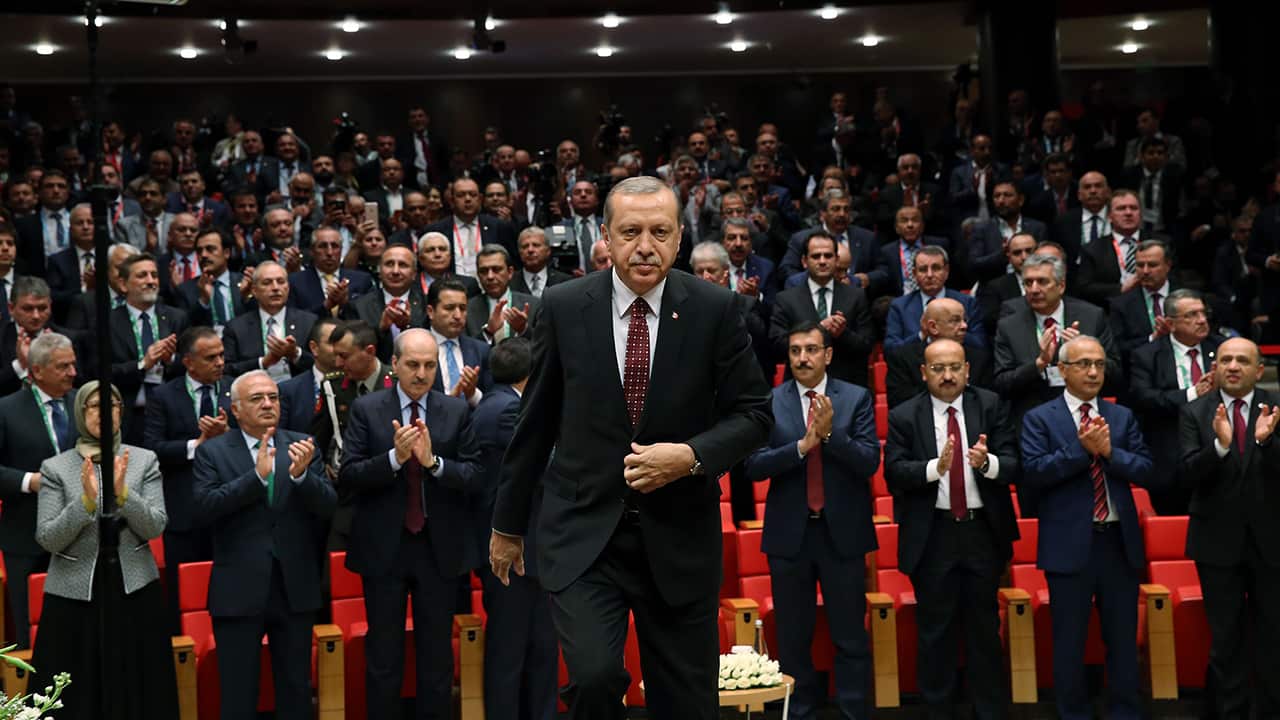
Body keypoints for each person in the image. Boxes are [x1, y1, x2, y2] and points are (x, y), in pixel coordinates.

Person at [489, 176, 773, 719]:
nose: (646, 245)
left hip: (680, 537)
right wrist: (508, 526)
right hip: (584, 533)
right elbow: (536, 422)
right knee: (595, 678)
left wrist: (688, 457)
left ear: (680, 238)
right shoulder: (564, 306)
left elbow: (755, 414)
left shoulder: (715, 309)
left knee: (687, 704)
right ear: (607, 236)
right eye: (631, 232)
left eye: (660, 232)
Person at [339, 328, 483, 720]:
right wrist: (393, 459)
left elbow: (474, 476)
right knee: (383, 656)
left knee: (436, 657)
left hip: (438, 549)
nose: (421, 374)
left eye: (429, 365)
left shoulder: (455, 410)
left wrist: (434, 464)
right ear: (395, 365)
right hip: (384, 547)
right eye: (413, 364)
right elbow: (348, 475)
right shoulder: (368, 409)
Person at [744, 321, 879, 719]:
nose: (803, 358)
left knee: (851, 636)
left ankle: (855, 711)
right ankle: (798, 711)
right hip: (791, 536)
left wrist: (831, 437)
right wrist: (802, 447)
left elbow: (869, 461)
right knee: (793, 637)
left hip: (843, 535)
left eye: (811, 350)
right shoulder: (770, 401)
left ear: (828, 354)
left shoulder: (855, 399)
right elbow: (752, 465)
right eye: (796, 351)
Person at [1019, 335, 1155, 720]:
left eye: (1099, 363)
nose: (1094, 371)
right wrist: (1082, 450)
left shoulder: (1121, 416)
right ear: (1062, 371)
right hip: (1068, 546)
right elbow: (1035, 474)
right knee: (1069, 641)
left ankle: (1126, 712)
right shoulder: (1039, 418)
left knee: (1122, 641)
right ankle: (1072, 714)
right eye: (1083, 364)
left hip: (1118, 542)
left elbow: (1146, 469)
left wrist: (1110, 452)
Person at [884, 339, 1019, 718]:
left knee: (985, 632)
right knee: (934, 634)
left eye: (955, 367)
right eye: (938, 368)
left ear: (967, 370)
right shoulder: (905, 415)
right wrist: (934, 469)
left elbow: (1015, 462)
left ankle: (991, 712)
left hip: (982, 534)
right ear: (923, 372)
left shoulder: (990, 405)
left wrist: (987, 462)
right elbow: (893, 471)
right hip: (933, 536)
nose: (947, 375)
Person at [192, 369, 335, 720]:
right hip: (239, 589)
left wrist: (302, 477)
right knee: (239, 692)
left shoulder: (301, 444)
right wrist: (256, 478)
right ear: (236, 409)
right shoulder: (212, 452)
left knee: (297, 689)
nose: (268, 404)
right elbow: (205, 509)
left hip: (295, 586)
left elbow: (329, 507)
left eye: (273, 397)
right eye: (257, 399)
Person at [30, 381, 177, 720]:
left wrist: (124, 494)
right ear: (80, 413)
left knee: (140, 690)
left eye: (111, 405)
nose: (104, 413)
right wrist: (85, 502)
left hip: (134, 590)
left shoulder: (143, 460)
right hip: (74, 596)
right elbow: (48, 537)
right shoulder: (56, 468)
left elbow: (155, 525)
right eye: (94, 406)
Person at [1178, 337, 1280, 717]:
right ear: (1215, 367)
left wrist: (1267, 443)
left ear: (1259, 369)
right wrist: (1218, 448)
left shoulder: (1277, 406)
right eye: (1225, 360)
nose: (1233, 366)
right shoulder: (1194, 411)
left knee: (1274, 635)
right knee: (1226, 639)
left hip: (1272, 542)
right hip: (1216, 544)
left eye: (1242, 360)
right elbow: (1186, 475)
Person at [468, 337, 557, 720]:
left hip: (526, 550)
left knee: (533, 650)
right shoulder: (508, 411)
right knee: (514, 654)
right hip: (517, 550)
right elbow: (546, 468)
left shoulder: (493, 403)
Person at [145, 326, 233, 633]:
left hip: (229, 512)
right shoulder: (164, 396)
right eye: (211, 358)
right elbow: (152, 449)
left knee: (230, 595)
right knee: (184, 598)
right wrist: (198, 445)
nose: (220, 362)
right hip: (184, 514)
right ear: (188, 362)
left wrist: (227, 439)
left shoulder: (236, 391)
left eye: (222, 355)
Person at [0, 332, 77, 648]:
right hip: (25, 536)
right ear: (37, 371)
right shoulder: (6, 409)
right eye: (63, 367)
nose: (73, 372)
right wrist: (29, 481)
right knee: (28, 634)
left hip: (77, 536)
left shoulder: (84, 404)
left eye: (73, 364)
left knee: (74, 628)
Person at [993, 252, 1119, 429]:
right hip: (1031, 420)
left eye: (1043, 282)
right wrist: (1038, 364)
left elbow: (1115, 374)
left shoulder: (1092, 316)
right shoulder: (1009, 326)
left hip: (1085, 417)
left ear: (1061, 286)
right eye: (1028, 283)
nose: (1034, 289)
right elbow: (1001, 384)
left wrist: (1085, 353)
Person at [309, 319, 393, 550]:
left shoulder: (396, 384)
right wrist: (325, 464)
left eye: (344, 356)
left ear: (369, 352)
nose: (337, 362)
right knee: (337, 576)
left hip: (390, 493)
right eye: (336, 355)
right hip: (347, 497)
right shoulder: (333, 387)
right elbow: (318, 437)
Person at [770, 231, 873, 387]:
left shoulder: (856, 296)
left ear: (837, 260)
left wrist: (843, 333)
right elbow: (776, 346)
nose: (822, 261)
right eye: (816, 256)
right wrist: (818, 330)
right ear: (804, 261)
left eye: (828, 256)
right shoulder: (786, 299)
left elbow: (867, 346)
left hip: (846, 386)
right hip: (800, 386)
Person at [109, 253, 189, 443]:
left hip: (172, 416)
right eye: (142, 275)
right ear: (123, 284)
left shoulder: (177, 318)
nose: (151, 281)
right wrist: (142, 364)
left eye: (154, 275)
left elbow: (192, 366)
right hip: (128, 416)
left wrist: (170, 360)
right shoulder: (107, 322)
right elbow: (100, 372)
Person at [885, 297, 994, 408]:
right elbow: (899, 402)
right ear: (933, 327)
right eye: (955, 320)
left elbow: (988, 401)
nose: (964, 326)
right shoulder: (902, 357)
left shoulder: (980, 358)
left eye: (964, 320)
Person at [221, 261, 317, 380]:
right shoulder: (235, 328)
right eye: (267, 283)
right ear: (254, 291)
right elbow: (226, 370)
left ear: (288, 287)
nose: (275, 288)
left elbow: (321, 363)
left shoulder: (309, 321)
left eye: (281, 282)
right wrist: (263, 363)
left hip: (297, 391)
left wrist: (295, 353)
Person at [883, 245, 986, 351]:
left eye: (936, 268)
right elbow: (891, 350)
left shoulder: (967, 302)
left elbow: (980, 346)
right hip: (915, 365)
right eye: (923, 270)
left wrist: (951, 332)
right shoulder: (899, 307)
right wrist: (921, 335)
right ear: (914, 274)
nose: (929, 275)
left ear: (946, 271)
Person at [345, 244, 428, 362]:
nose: (395, 271)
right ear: (379, 270)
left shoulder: (427, 304)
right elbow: (354, 351)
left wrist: (407, 326)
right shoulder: (358, 306)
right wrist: (381, 329)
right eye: (389, 264)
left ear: (414, 274)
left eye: (403, 265)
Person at [427, 278, 492, 404]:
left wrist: (472, 393)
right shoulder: (416, 348)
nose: (457, 315)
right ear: (431, 312)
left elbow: (492, 401)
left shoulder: (482, 350)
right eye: (449, 308)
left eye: (462, 308)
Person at [288, 227, 373, 317]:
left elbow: (369, 317)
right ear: (312, 251)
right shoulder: (295, 282)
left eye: (335, 246)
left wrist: (345, 303)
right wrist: (326, 306)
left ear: (341, 250)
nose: (329, 252)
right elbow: (294, 321)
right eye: (323, 246)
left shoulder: (362, 280)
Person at [465, 244, 537, 343]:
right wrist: (488, 332)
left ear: (510, 272)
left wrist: (522, 329)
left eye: (496, 269)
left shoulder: (534, 305)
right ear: (478, 275)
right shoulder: (467, 309)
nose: (490, 276)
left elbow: (542, 346)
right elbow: (467, 351)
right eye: (484, 271)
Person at [510, 226, 572, 298]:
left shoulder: (565, 282)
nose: (530, 250)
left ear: (548, 251)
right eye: (525, 246)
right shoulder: (509, 282)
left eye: (536, 245)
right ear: (519, 252)